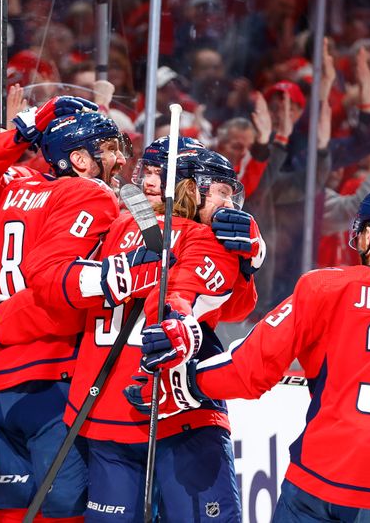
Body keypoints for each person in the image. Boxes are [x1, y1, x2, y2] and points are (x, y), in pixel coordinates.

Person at [138, 185, 370, 522]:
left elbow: (248, 369)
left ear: (367, 234)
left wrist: (189, 380)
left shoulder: (323, 287)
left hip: (322, 484)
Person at [0, 104, 149, 522]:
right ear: (80, 160)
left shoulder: (17, 190)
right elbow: (58, 288)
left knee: (14, 509)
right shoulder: (92, 193)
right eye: (109, 149)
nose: (121, 159)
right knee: (63, 509)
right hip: (52, 378)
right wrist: (0, 320)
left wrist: (24, 126)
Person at [78, 139, 260, 522]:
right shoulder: (204, 237)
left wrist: (244, 263)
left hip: (103, 409)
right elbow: (188, 301)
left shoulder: (118, 225)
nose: (228, 204)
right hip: (176, 409)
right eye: (222, 192)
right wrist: (246, 258)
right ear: (192, 188)